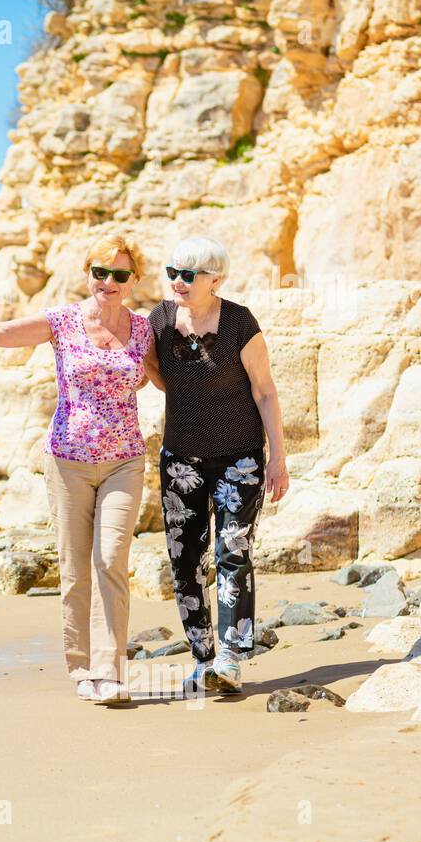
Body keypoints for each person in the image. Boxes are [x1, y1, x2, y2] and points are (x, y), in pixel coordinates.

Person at [0, 234, 162, 704]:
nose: (108, 281)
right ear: (87, 274)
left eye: (120, 275)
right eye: (100, 272)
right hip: (67, 462)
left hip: (125, 460)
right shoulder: (62, 322)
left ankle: (111, 667)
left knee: (111, 560)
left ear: (133, 282)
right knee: (75, 568)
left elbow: (173, 382)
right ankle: (82, 668)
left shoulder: (143, 331)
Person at [147, 236, 290, 694]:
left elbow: (265, 391)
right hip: (179, 459)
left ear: (215, 279)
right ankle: (201, 656)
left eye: (188, 275)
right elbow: (153, 370)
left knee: (233, 551)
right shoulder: (162, 319)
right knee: (185, 560)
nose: (177, 282)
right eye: (172, 272)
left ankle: (229, 657)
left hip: (239, 459)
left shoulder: (239, 322)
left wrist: (278, 459)